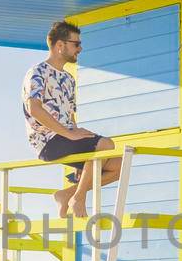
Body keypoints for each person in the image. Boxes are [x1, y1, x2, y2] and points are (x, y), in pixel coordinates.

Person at [22, 20, 120, 216]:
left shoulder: (68, 78)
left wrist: (79, 140)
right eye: (76, 44)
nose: (80, 48)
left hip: (67, 137)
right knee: (106, 144)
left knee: (118, 166)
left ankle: (66, 194)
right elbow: (35, 109)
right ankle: (79, 197)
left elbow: (70, 116)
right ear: (60, 46)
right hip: (47, 140)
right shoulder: (37, 72)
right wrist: (70, 134)